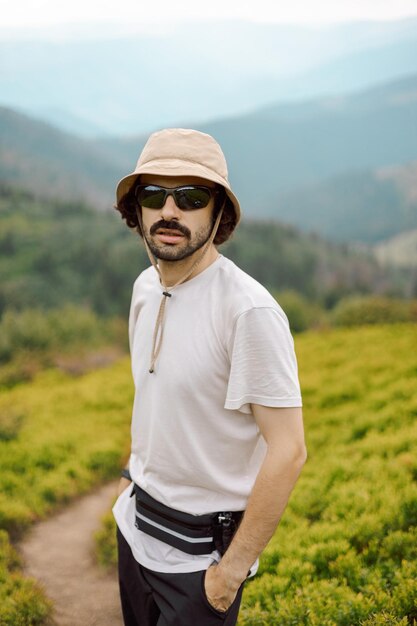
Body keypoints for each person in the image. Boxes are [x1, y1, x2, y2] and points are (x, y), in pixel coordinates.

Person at [113, 128, 306, 626]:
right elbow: (156, 400)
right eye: (153, 195)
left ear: (218, 213)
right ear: (137, 209)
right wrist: (129, 484)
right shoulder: (144, 287)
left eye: (192, 197)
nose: (169, 211)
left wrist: (229, 575)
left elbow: (288, 450)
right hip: (135, 530)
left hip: (202, 561)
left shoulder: (248, 312)